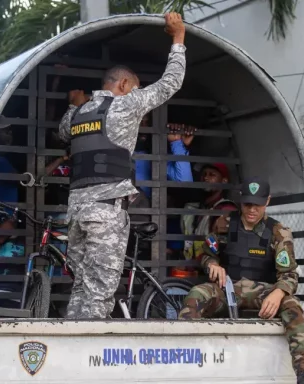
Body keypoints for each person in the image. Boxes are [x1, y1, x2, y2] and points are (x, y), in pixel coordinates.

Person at [58, 12, 187, 319]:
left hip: (76, 214)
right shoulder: (126, 104)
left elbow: (63, 131)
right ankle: (88, 357)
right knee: (100, 292)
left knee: (82, 287)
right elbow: (171, 82)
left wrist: (74, 102)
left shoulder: (76, 114)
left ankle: (71, 346)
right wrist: (178, 37)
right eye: (135, 86)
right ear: (125, 84)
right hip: (105, 212)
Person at [178, 177, 304, 384]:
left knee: (293, 307)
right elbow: (206, 253)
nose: (251, 210)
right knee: (196, 295)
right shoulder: (225, 224)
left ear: (267, 202)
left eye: (257, 205)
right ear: (241, 201)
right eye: (247, 204)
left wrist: (278, 293)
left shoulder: (278, 232)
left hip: (264, 294)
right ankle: (188, 362)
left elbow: (290, 274)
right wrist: (212, 265)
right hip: (228, 290)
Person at [181, 163, 238, 265]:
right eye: (204, 174)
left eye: (212, 175)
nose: (206, 178)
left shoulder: (225, 209)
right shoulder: (201, 208)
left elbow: (223, 249)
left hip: (212, 269)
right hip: (199, 267)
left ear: (224, 181)